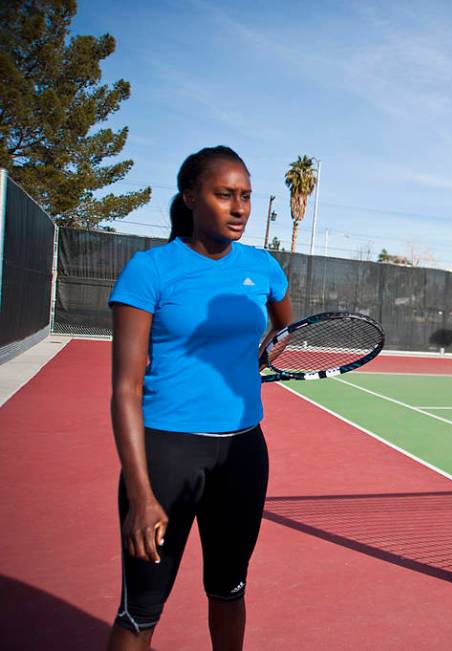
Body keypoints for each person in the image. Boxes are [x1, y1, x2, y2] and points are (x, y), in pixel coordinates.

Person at [106, 146, 292, 650]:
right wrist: (142, 496)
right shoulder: (151, 271)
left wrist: (254, 362)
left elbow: (283, 331)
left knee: (229, 590)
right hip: (168, 453)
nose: (239, 208)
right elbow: (124, 387)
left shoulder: (262, 267)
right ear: (190, 197)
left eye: (247, 197)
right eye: (225, 194)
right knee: (140, 611)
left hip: (244, 454)